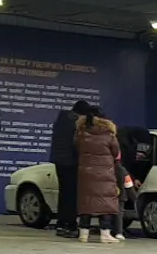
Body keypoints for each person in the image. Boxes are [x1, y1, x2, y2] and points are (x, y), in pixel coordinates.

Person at [73, 105, 126, 244]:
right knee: (105, 203)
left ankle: (83, 234)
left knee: (87, 202)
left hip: (86, 172)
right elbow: (116, 152)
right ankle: (105, 234)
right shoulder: (109, 133)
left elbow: (76, 146)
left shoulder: (81, 132)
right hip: (105, 173)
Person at [49, 99, 89, 238]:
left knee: (63, 193)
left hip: (58, 161)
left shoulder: (61, 120)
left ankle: (61, 223)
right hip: (71, 162)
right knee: (72, 195)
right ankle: (70, 225)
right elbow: (76, 144)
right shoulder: (75, 124)